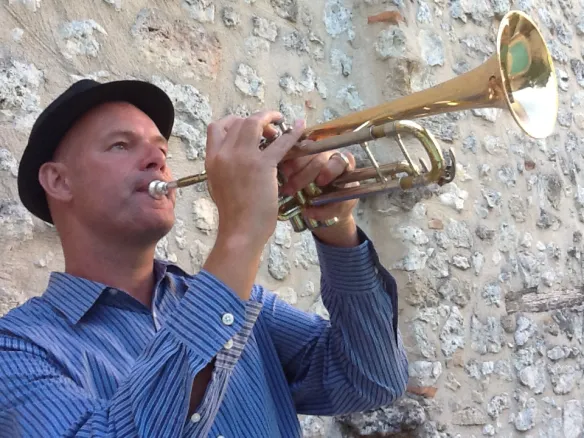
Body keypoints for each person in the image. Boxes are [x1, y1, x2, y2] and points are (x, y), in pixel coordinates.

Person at [0, 79, 408, 438]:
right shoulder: (17, 347)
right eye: (120, 145)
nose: (158, 160)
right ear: (59, 180)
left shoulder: (246, 305)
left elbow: (373, 382)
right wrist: (241, 231)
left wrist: (334, 226)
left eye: (161, 148)